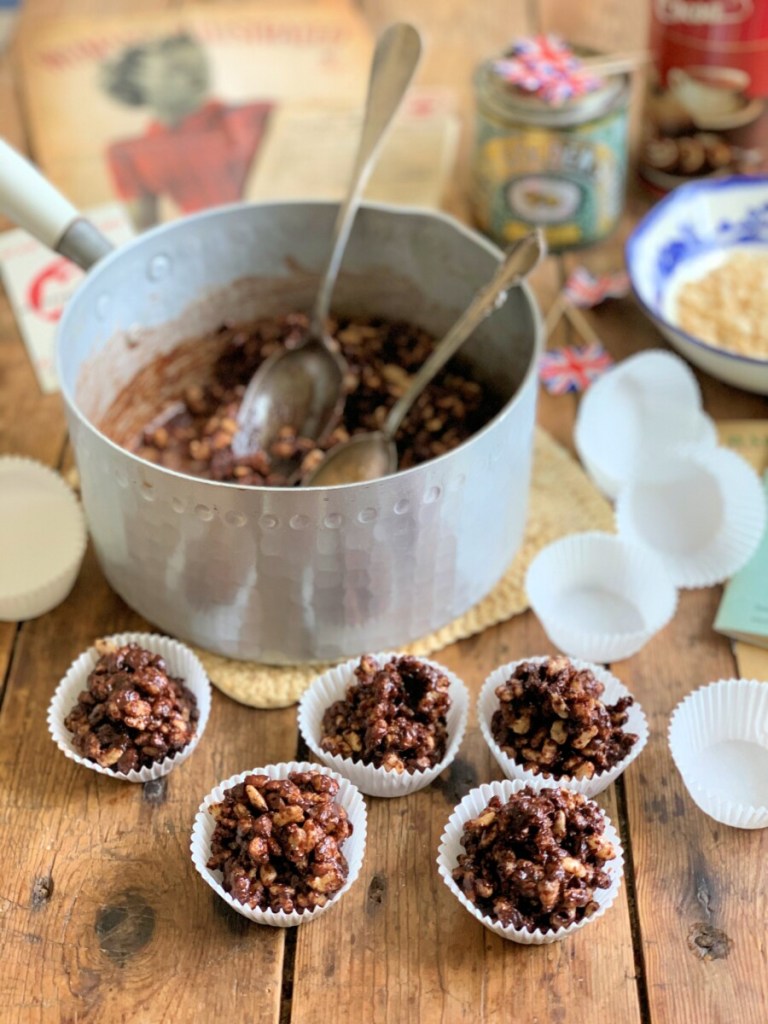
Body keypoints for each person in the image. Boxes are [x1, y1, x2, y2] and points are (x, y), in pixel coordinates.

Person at [101, 32, 272, 228]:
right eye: (177, 69)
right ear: (138, 81)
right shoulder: (126, 152)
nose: (197, 78)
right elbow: (144, 232)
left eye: (199, 66)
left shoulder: (258, 114)